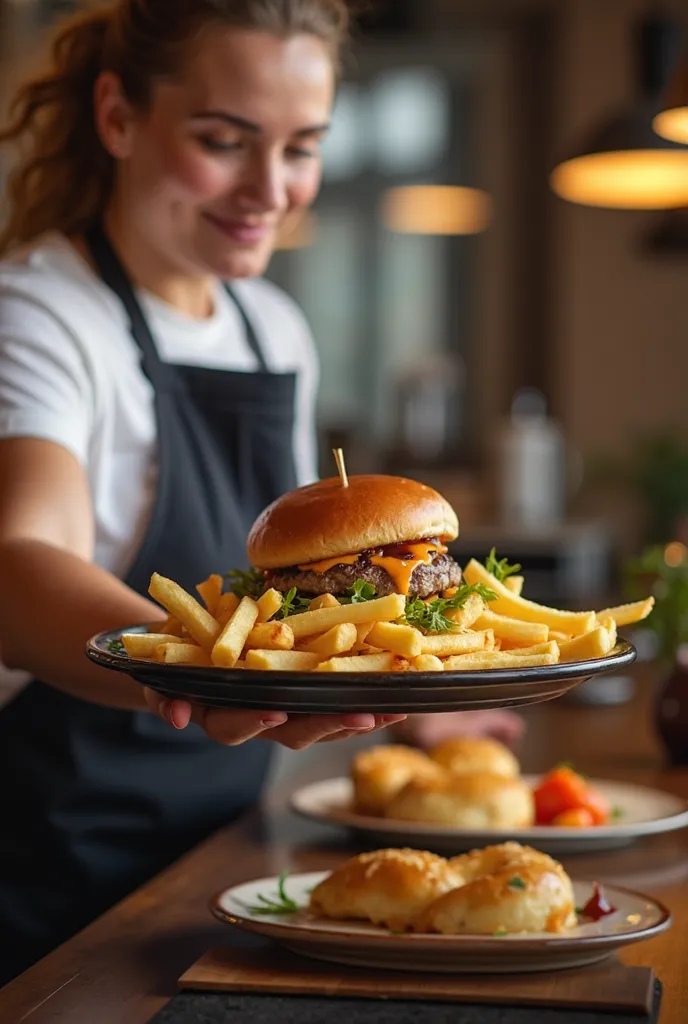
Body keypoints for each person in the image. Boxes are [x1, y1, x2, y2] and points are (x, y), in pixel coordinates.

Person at [0, 0, 521, 984]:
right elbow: (21, 567)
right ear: (117, 117)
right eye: (223, 142)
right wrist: (198, 674)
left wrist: (419, 702)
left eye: (302, 148)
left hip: (229, 857)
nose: (270, 190)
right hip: (54, 883)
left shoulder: (271, 327)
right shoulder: (40, 313)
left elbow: (317, 587)